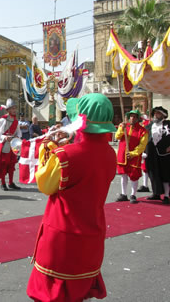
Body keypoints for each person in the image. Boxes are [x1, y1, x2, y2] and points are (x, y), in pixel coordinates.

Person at [26, 93, 117, 302]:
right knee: (79, 293)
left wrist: (47, 149)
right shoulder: (110, 154)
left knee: (52, 294)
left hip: (63, 237)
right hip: (92, 234)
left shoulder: (65, 156)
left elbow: (46, 185)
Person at [145, 106, 170, 204]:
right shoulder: (149, 126)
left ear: (163, 115)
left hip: (165, 154)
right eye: (155, 113)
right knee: (154, 173)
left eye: (158, 113)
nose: (156, 115)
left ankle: (166, 195)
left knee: (166, 174)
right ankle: (156, 193)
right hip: (153, 154)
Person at [115, 109, 148, 204]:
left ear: (137, 118)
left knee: (134, 176)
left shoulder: (142, 131)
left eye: (134, 116)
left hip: (134, 156)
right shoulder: (124, 126)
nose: (132, 118)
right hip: (123, 154)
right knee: (123, 175)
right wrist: (122, 128)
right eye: (131, 116)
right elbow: (117, 136)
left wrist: (133, 153)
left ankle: (133, 194)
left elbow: (142, 145)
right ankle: (123, 194)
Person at [0, 98, 22, 191]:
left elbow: (19, 132)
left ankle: (11, 183)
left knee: (12, 165)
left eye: (15, 108)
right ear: (7, 110)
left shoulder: (16, 121)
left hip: (13, 145)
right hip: (4, 145)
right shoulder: (1, 121)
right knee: (4, 164)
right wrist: (5, 137)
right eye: (12, 108)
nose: (14, 110)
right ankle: (3, 183)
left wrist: (18, 137)